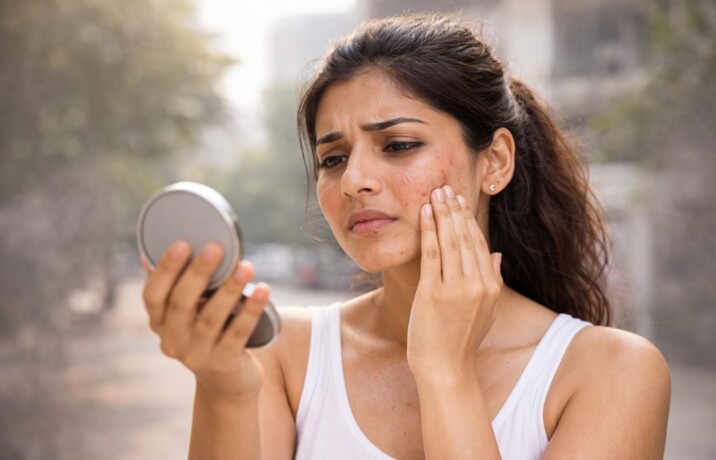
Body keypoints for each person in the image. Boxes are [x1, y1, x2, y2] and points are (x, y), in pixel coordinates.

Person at [141, 14, 670, 459]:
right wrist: (224, 390)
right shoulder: (282, 355)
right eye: (333, 158)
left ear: (496, 161)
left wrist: (444, 371)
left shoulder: (612, 372)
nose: (353, 182)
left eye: (397, 145)